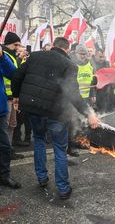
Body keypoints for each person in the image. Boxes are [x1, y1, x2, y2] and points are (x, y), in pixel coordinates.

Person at [12, 37, 99, 199]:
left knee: (38, 140)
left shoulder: (36, 56)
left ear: (53, 47)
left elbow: (17, 75)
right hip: (55, 112)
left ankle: (42, 177)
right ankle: (63, 188)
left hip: (33, 108)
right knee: (59, 147)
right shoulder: (69, 65)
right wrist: (89, 114)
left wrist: (16, 96)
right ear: (67, 50)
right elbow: (73, 94)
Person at [0, 45, 21, 189]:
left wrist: (2, 56)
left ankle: (4, 176)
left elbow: (13, 73)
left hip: (0, 110)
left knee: (4, 146)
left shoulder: (2, 56)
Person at [2, 32, 24, 159]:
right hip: (4, 98)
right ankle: (5, 151)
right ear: (8, 44)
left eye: (19, 45)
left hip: (12, 98)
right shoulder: (3, 55)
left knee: (11, 126)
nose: (18, 47)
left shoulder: (12, 56)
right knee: (4, 128)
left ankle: (8, 150)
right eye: (16, 44)